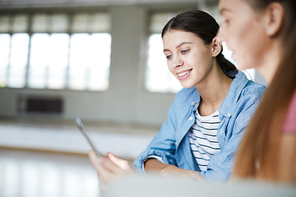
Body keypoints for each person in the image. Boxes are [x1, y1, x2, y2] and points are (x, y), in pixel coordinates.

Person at [88, 10, 265, 188]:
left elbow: (221, 180)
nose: (175, 63)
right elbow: (149, 157)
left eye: (185, 50)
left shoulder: (252, 101)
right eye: (169, 55)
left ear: (215, 47)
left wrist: (165, 174)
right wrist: (168, 171)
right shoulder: (184, 99)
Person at [217, 0, 296, 182]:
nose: (220, 35)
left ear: (272, 18)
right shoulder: (277, 101)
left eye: (228, 19)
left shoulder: (291, 106)